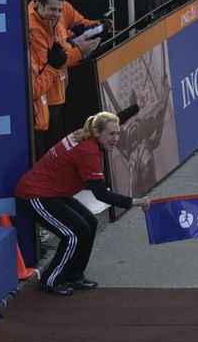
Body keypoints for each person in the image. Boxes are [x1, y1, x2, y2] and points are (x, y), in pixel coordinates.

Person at [15, 109, 152, 296]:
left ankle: (74, 274)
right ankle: (51, 280)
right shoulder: (89, 152)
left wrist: (136, 107)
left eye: (118, 132)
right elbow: (101, 194)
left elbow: (109, 119)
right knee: (73, 233)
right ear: (98, 133)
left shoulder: (88, 131)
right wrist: (134, 201)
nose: (116, 138)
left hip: (55, 192)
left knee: (90, 223)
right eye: (112, 134)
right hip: (35, 196)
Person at [29, 0, 100, 157]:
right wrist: (80, 52)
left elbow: (63, 52)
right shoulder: (34, 29)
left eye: (59, 10)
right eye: (52, 9)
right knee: (49, 153)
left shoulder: (56, 23)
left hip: (57, 94)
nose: (56, 14)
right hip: (47, 101)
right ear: (39, 5)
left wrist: (75, 44)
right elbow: (53, 62)